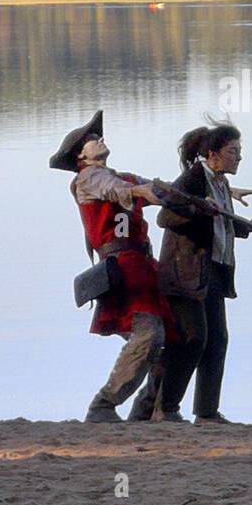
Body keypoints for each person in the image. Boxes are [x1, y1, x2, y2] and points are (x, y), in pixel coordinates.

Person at [130, 122, 252, 426]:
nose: (239, 158)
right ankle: (166, 408)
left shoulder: (219, 183)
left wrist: (246, 227)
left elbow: (220, 223)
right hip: (184, 273)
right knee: (192, 339)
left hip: (214, 271)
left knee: (217, 340)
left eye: (240, 152)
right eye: (233, 152)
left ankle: (206, 412)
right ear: (213, 154)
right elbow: (166, 216)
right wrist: (198, 210)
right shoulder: (192, 180)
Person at [51, 110, 179, 424]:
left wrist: (205, 192)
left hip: (141, 265)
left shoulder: (123, 178)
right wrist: (139, 192)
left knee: (166, 339)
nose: (99, 139)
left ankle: (146, 409)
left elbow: (159, 189)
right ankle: (104, 405)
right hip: (123, 268)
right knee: (148, 333)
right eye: (92, 139)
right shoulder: (89, 178)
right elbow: (114, 189)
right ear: (81, 155)